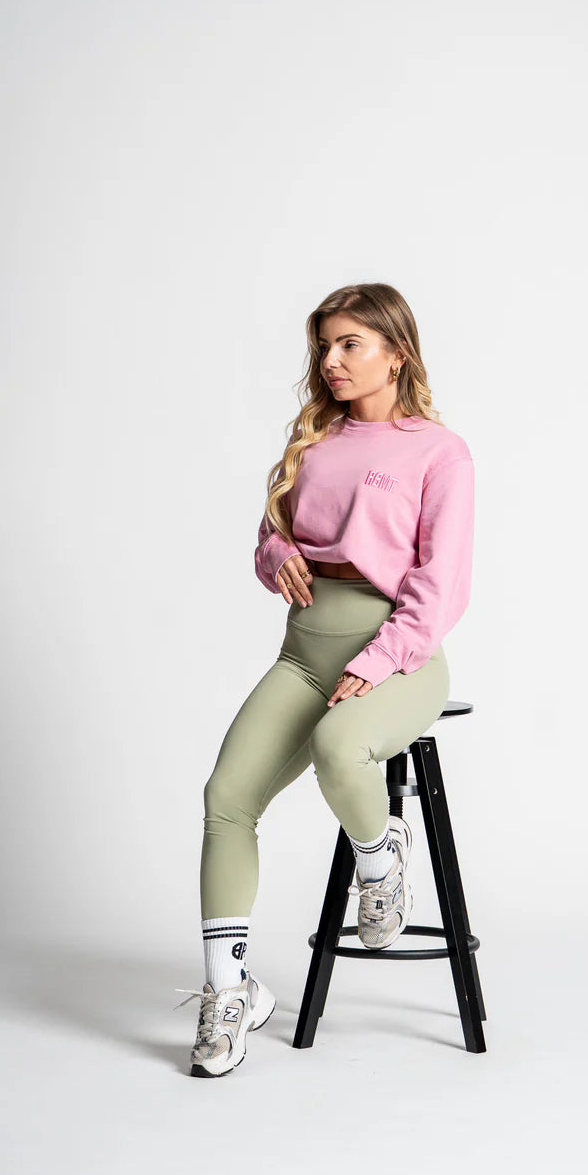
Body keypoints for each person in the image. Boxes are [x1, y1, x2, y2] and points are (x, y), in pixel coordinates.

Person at [175, 282, 475, 1077]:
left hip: (398, 652)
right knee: (226, 798)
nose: (331, 361)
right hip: (304, 652)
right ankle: (229, 994)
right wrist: (278, 556)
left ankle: (381, 861)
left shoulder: (438, 451)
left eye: (350, 344)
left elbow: (441, 586)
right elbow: (269, 539)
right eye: (324, 346)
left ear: (397, 354)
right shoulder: (317, 440)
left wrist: (375, 662)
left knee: (341, 748)